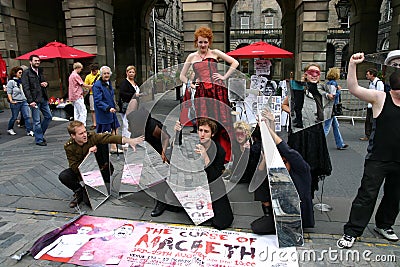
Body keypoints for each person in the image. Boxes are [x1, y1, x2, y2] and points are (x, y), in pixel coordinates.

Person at [337, 53, 400, 249]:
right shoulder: (380, 97)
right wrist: (353, 64)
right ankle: (352, 231)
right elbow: (354, 88)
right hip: (378, 158)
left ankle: (385, 225)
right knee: (367, 194)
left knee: (394, 196)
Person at [179, 26, 239, 163]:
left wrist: (224, 77)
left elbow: (234, 62)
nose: (203, 45)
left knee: (222, 120)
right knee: (206, 122)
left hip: (218, 91)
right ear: (196, 42)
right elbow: (182, 76)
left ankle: (225, 155)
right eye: (200, 42)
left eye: (205, 42)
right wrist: (191, 84)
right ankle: (208, 154)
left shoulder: (215, 52)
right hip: (202, 94)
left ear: (209, 42)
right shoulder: (191, 56)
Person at [59, 120, 144, 208]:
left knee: (89, 202)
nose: (85, 135)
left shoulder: (91, 137)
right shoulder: (69, 146)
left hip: (97, 171)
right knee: (64, 176)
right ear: (73, 136)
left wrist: (129, 140)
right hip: (81, 171)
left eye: (85, 131)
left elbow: (109, 137)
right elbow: (75, 168)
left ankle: (88, 190)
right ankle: (79, 192)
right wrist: (89, 155)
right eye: (81, 134)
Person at [251, 118, 314, 235]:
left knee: (260, 228)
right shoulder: (278, 172)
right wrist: (264, 160)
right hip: (280, 210)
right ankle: (269, 215)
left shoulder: (301, 170)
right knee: (256, 227)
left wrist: (268, 128)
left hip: (297, 215)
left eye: (284, 162)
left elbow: (285, 148)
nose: (282, 165)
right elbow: (259, 174)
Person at [174, 118, 234, 230]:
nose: (202, 134)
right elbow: (177, 151)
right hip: (195, 183)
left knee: (221, 222)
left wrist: (205, 155)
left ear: (212, 134)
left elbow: (214, 176)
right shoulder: (193, 143)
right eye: (200, 130)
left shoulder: (219, 150)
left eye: (206, 131)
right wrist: (178, 132)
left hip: (213, 185)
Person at [21, 54, 52, 146]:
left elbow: (44, 82)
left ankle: (39, 134)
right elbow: (26, 88)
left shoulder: (40, 71)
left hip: (43, 98)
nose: (37, 62)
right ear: (30, 62)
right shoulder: (26, 73)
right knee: (37, 120)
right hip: (34, 99)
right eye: (35, 60)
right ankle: (39, 140)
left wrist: (46, 84)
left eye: (38, 60)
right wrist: (30, 101)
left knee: (49, 116)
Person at [92, 66, 120, 153]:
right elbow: (98, 100)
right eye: (104, 73)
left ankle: (113, 147)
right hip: (104, 112)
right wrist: (107, 108)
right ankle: (101, 150)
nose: (106, 75)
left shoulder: (108, 83)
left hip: (111, 111)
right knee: (104, 133)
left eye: (108, 73)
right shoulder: (97, 85)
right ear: (101, 74)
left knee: (115, 127)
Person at [323, 67, 348, 150]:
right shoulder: (333, 83)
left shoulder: (328, 83)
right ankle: (318, 142)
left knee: (335, 125)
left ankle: (340, 143)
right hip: (332, 107)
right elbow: (332, 96)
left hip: (329, 106)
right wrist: (339, 91)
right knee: (327, 127)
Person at [6, 66, 34, 137]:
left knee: (27, 116)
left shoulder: (22, 81)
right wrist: (11, 100)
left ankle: (29, 130)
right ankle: (10, 128)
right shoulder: (11, 82)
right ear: (15, 73)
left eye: (22, 73)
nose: (21, 74)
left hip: (24, 101)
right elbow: (9, 92)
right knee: (14, 117)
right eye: (20, 73)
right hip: (16, 101)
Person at [359, 68, 384, 141]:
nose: (366, 76)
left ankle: (373, 135)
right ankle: (368, 135)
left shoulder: (378, 83)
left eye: (367, 74)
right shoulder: (371, 82)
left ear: (372, 74)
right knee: (368, 121)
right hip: (370, 104)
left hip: (375, 105)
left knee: (373, 121)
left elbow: (381, 93)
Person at [118, 65, 141, 140]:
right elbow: (122, 93)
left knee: (132, 123)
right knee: (126, 123)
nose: (131, 74)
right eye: (129, 72)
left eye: (133, 72)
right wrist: (134, 95)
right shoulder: (124, 83)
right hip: (127, 105)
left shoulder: (135, 82)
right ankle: (125, 140)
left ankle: (131, 138)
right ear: (126, 73)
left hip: (134, 105)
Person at [84, 63, 100, 130]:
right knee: (93, 110)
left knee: (100, 108)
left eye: (95, 71)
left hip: (100, 94)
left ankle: (100, 122)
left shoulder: (101, 75)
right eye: (93, 71)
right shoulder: (88, 76)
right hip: (92, 94)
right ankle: (94, 123)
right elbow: (85, 85)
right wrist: (90, 87)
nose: (94, 72)